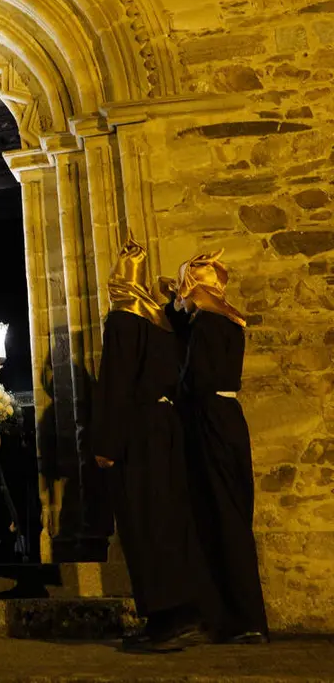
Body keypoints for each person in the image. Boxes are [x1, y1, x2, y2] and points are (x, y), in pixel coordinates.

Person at [91, 237, 205, 652]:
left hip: (138, 430)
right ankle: (184, 610)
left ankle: (163, 620)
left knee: (144, 520)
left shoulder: (123, 320)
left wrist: (106, 442)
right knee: (170, 516)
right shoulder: (161, 323)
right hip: (166, 425)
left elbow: (116, 384)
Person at [169, 251, 268, 645]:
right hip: (226, 418)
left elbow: (195, 375)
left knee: (222, 516)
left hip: (210, 418)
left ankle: (244, 617)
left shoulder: (208, 325)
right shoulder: (226, 322)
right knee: (227, 514)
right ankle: (235, 616)